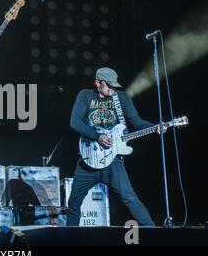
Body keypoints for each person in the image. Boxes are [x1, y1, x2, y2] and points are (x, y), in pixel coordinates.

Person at [67, 67, 166, 227]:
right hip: (88, 160)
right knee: (74, 203)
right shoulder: (85, 95)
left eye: (114, 85)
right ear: (97, 82)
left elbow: (137, 121)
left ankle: (154, 234)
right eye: (109, 85)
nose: (113, 88)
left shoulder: (122, 98)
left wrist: (154, 126)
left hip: (113, 161)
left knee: (131, 199)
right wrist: (97, 136)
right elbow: (75, 122)